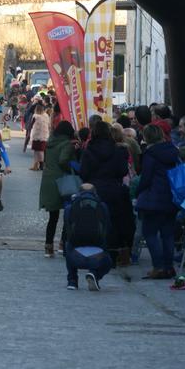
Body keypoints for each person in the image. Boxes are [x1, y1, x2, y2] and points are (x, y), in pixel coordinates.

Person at [80, 121, 132, 266]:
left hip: (94, 190)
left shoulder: (89, 151)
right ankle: (112, 255)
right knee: (113, 222)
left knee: (94, 222)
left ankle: (94, 253)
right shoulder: (117, 150)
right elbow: (123, 170)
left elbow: (83, 173)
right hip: (113, 190)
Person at [136, 124, 180, 279]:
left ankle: (159, 266)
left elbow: (146, 177)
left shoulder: (150, 153)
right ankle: (169, 267)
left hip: (153, 198)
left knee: (149, 233)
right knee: (168, 234)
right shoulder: (173, 151)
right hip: (171, 197)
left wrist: (138, 191)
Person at [64, 184, 113, 291]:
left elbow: (67, 230)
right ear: (95, 193)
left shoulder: (69, 207)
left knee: (68, 243)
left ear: (79, 193)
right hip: (98, 255)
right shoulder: (102, 206)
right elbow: (108, 227)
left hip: (74, 255)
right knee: (109, 261)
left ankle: (72, 281)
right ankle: (94, 274)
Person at [38, 121, 76, 258]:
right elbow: (63, 160)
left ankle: (48, 247)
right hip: (63, 181)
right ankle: (62, 244)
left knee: (53, 217)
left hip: (48, 180)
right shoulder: (67, 144)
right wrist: (71, 170)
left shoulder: (50, 142)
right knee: (68, 214)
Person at [29, 102, 50, 171]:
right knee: (41, 150)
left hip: (36, 135)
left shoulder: (35, 116)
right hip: (44, 136)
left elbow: (31, 125)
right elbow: (49, 125)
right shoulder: (46, 116)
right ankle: (40, 165)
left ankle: (38, 165)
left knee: (36, 151)